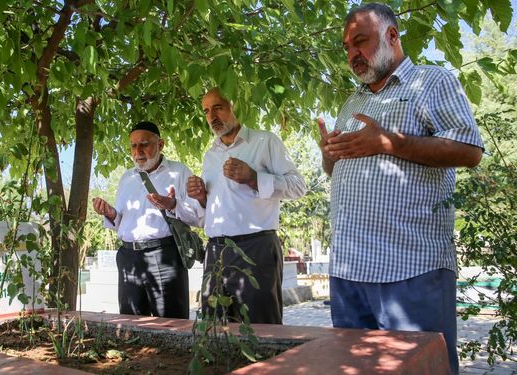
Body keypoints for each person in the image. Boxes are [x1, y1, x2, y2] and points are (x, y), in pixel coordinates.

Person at [317, 3, 484, 374]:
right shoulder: (352, 102)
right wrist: (330, 155)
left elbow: (470, 150)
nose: (352, 54)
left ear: (392, 36)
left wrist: (389, 142)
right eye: (346, 47)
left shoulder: (432, 81)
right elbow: (337, 172)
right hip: (349, 268)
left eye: (360, 41)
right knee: (353, 369)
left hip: (410, 268)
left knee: (422, 369)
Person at [187, 88, 306, 324]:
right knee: (214, 330)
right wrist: (201, 197)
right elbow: (214, 207)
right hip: (215, 251)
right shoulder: (210, 155)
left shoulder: (265, 142)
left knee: (263, 330)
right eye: (206, 111)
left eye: (218, 107)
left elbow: (298, 187)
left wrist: (254, 177)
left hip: (256, 248)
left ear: (235, 106)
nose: (212, 116)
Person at [91, 121, 203, 319]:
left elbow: (198, 217)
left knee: (171, 325)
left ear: (161, 144)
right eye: (133, 145)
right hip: (128, 258)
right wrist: (110, 213)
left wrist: (172, 204)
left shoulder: (179, 172)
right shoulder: (127, 178)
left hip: (164, 255)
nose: (138, 151)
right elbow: (122, 224)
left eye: (144, 144)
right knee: (131, 323)